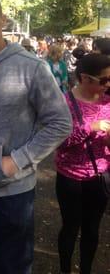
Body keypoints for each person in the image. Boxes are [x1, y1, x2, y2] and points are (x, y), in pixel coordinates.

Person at [0, 0, 72, 274]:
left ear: (3, 19)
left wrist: (18, 160)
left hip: (13, 190)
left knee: (15, 265)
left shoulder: (31, 67)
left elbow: (60, 122)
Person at [55, 53, 110, 274]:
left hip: (100, 176)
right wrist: (91, 128)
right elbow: (60, 142)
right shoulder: (64, 102)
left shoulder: (108, 100)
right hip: (70, 177)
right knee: (70, 227)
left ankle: (85, 269)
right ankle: (65, 269)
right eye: (104, 80)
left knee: (92, 229)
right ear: (85, 78)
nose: (109, 84)